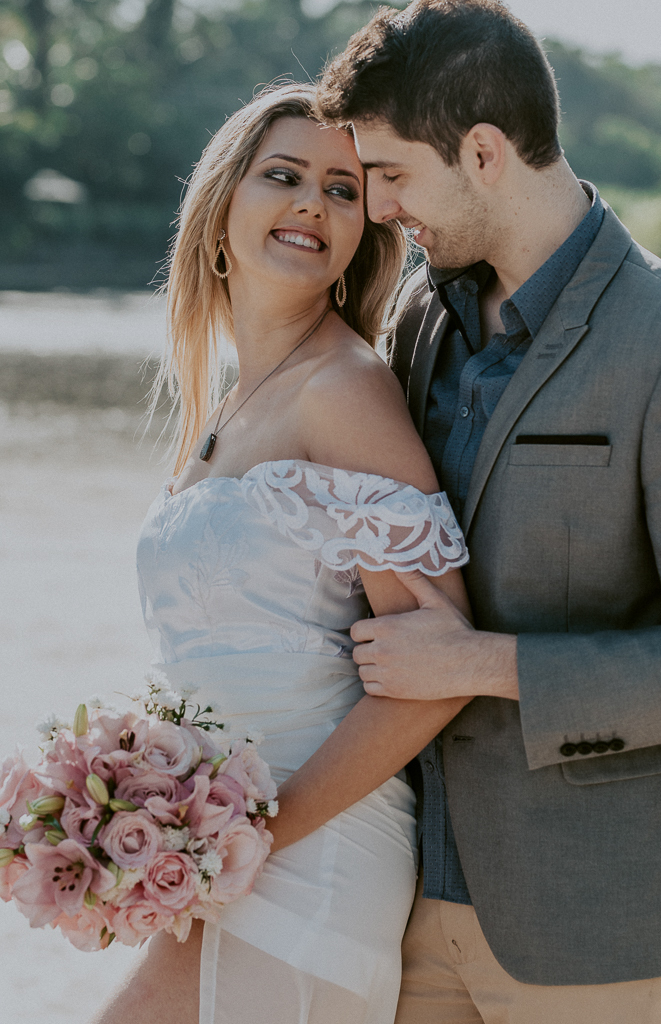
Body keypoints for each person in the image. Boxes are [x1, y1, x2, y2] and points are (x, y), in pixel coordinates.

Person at [315, 0, 661, 1024]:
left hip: (604, 918)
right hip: (407, 898)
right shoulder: (420, 314)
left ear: (483, 151)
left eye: (393, 174)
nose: (381, 207)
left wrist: (481, 665)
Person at [91, 83, 475, 1024]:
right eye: (284, 176)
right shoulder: (234, 401)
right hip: (222, 851)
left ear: (358, 238)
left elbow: (437, 666)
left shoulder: (344, 391)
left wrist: (248, 839)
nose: (312, 203)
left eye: (342, 191)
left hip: (311, 850)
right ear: (222, 207)